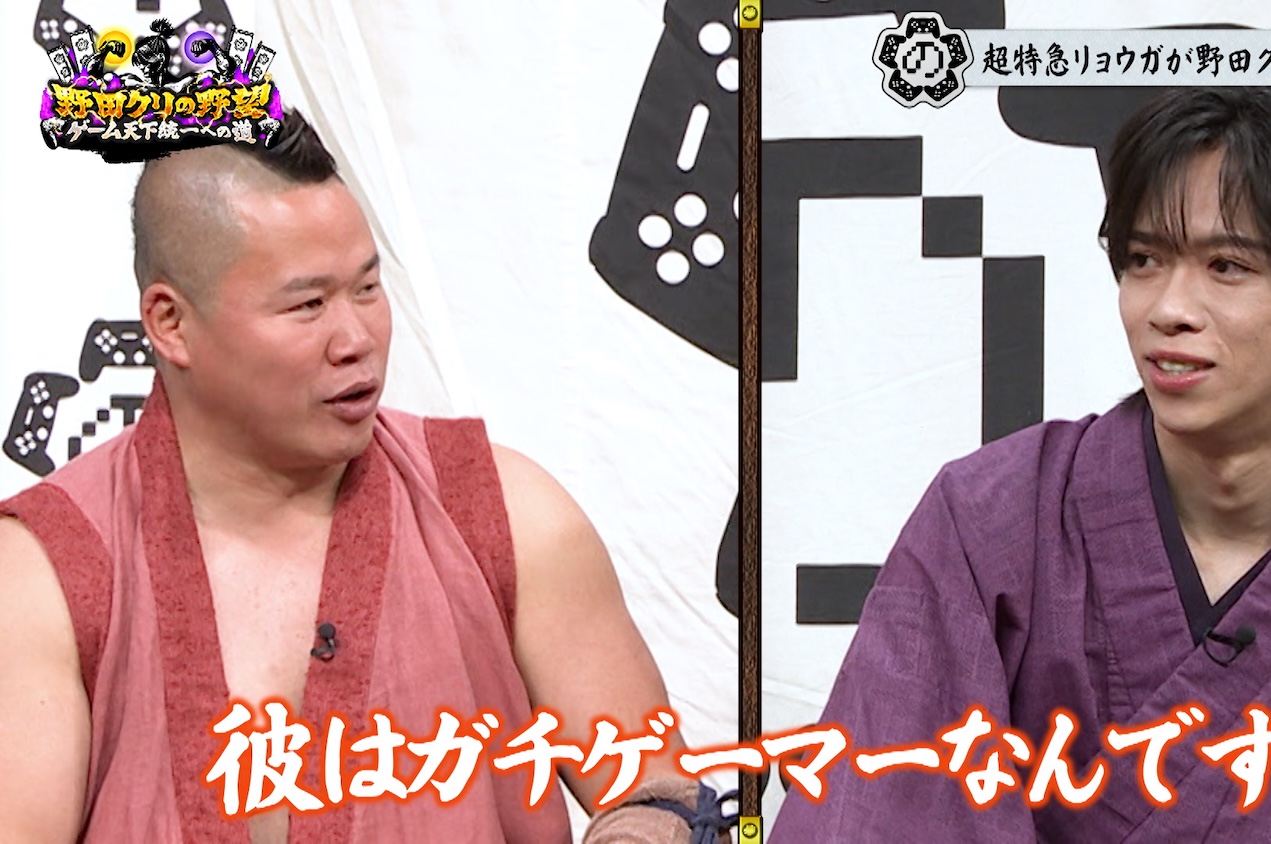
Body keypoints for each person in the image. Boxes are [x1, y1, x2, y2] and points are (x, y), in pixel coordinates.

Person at [771, 87, 1271, 841]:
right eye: (1145, 260)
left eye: (1226, 266)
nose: (1166, 309)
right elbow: (886, 806)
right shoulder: (991, 517)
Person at [0, 112, 730, 843]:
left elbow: (659, 793)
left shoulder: (509, 516)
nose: (356, 340)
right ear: (170, 323)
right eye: (308, 304)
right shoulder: (42, 577)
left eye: (368, 289)